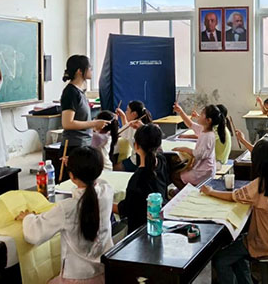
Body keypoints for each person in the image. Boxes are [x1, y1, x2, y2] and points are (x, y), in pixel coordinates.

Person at [17, 147, 113, 284]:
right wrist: (81, 166)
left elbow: (34, 234)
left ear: (71, 176)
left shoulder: (66, 208)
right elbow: (97, 180)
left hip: (76, 278)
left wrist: (28, 217)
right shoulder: (107, 192)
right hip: (104, 274)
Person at [201, 140, 268, 284]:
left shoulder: (259, 185)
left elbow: (233, 196)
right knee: (236, 252)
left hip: (263, 242)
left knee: (221, 260)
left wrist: (211, 192)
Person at [115, 124, 169, 234]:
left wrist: (103, 203)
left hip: (141, 231)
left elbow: (125, 210)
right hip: (159, 221)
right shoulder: (162, 161)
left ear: (136, 146)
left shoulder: (137, 180)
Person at [60, 56, 108, 177]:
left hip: (83, 144)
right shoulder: (70, 92)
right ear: (79, 71)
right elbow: (67, 123)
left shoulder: (80, 91)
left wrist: (94, 126)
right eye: (89, 67)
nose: (91, 70)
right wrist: (94, 123)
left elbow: (81, 119)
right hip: (73, 146)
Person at [171, 103, 223, 188]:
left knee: (174, 176)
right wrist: (181, 111)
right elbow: (190, 124)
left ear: (208, 120)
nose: (199, 116)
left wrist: (184, 148)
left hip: (203, 172)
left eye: (202, 114)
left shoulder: (208, 136)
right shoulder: (204, 129)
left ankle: (188, 193)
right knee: (181, 170)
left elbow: (198, 154)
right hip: (203, 168)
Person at [114, 100, 152, 172]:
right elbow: (126, 130)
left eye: (127, 110)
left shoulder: (133, 125)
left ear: (134, 114)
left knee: (114, 168)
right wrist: (123, 116)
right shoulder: (147, 125)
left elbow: (118, 133)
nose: (126, 112)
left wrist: (115, 122)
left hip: (136, 161)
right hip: (148, 160)